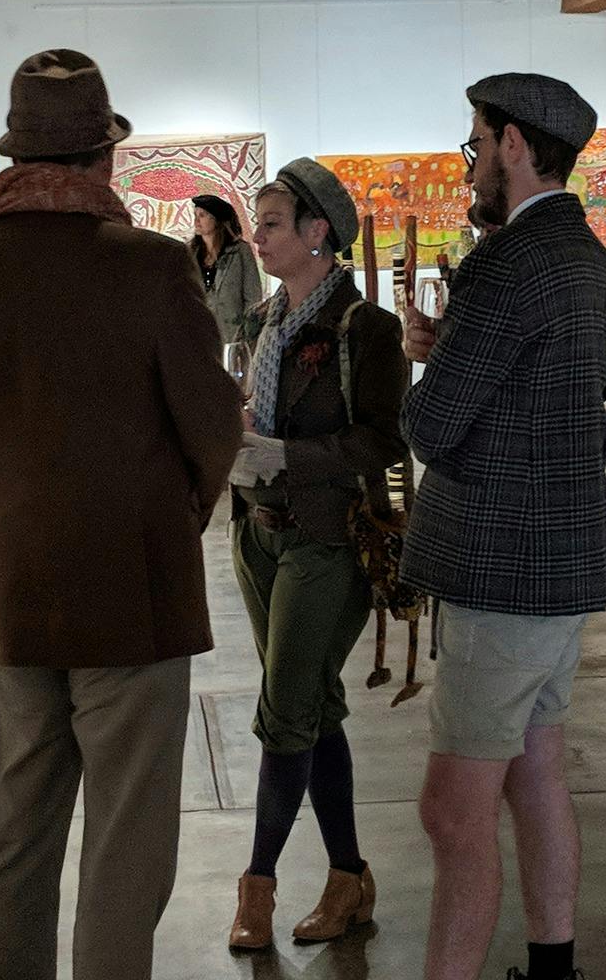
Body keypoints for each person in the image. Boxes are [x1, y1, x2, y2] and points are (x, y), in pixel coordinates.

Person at [0, 50, 244, 980]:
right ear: (104, 157)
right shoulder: (151, 267)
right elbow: (211, 422)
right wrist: (179, 508)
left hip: (7, 579)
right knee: (126, 845)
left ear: (15, 155)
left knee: (13, 831)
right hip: (130, 586)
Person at [401, 74, 606, 980]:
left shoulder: (507, 262)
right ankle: (553, 963)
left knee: (453, 813)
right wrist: (448, 346)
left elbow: (431, 427)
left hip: (502, 567)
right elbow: (554, 405)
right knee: (535, 773)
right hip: (561, 559)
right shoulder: (588, 258)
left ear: (516, 147)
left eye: (478, 143)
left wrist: (433, 365)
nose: (473, 162)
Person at [225, 160, 410, 951]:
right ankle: (349, 878)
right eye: (257, 223)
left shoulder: (365, 329)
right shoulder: (269, 319)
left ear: (316, 234)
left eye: (271, 224)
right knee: (313, 709)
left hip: (329, 539)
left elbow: (382, 438)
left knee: (285, 717)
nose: (256, 236)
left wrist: (287, 459)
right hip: (259, 533)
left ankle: (256, 889)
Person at [191, 192, 264, 343]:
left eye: (202, 215)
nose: (196, 221)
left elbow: (253, 297)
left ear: (216, 219)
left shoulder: (239, 251)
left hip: (232, 337)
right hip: (198, 337)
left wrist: (247, 337)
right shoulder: (190, 254)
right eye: (195, 215)